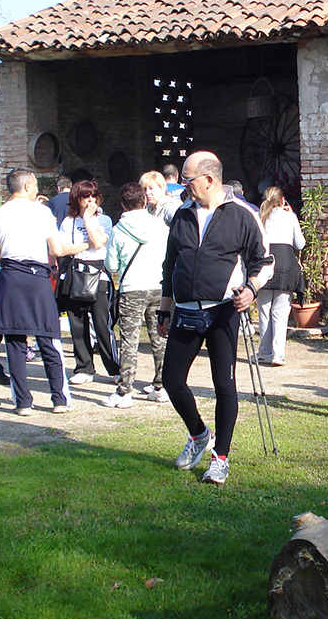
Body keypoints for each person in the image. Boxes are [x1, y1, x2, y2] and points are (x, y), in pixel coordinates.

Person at [158, 150, 273, 485]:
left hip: (224, 310)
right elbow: (170, 265)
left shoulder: (243, 215)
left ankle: (220, 457)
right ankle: (199, 434)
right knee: (171, 381)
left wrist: (251, 289)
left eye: (187, 179)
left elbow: (264, 262)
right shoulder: (182, 214)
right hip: (186, 309)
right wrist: (165, 307)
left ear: (209, 180)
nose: (183, 185)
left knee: (224, 384)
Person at [0, 168, 79, 415]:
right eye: (34, 185)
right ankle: (59, 399)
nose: (37, 190)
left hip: (10, 277)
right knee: (48, 338)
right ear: (26, 186)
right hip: (37, 278)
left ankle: (23, 402)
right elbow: (56, 250)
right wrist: (86, 245)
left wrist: (6, 256)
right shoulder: (42, 212)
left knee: (14, 341)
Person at [105, 182, 169, 405]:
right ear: (144, 201)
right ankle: (161, 385)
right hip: (158, 286)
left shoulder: (118, 230)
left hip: (132, 288)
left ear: (123, 204)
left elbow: (111, 265)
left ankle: (125, 391)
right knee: (159, 338)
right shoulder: (160, 226)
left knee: (129, 341)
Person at [59, 178, 121, 386]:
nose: (90, 200)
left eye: (94, 195)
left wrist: (87, 218)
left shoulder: (104, 220)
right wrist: (86, 245)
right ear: (77, 198)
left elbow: (99, 242)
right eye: (85, 196)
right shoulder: (68, 222)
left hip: (99, 275)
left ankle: (114, 367)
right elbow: (62, 249)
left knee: (102, 324)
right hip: (75, 273)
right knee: (78, 325)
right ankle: (84, 367)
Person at [255, 186, 305, 366]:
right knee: (280, 313)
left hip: (264, 265)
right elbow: (300, 244)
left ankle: (264, 352)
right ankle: (278, 354)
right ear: (282, 200)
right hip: (286, 265)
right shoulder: (289, 217)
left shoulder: (258, 216)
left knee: (264, 311)